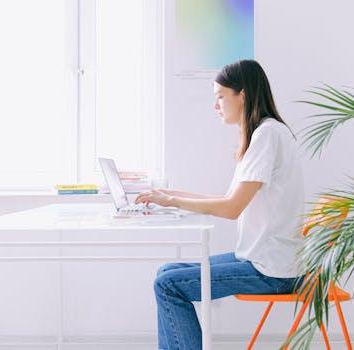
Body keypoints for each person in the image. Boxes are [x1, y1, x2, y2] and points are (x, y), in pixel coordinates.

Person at [134, 59, 305, 350]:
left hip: (272, 270)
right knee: (165, 273)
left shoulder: (267, 135)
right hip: (262, 258)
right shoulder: (264, 133)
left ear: (243, 95)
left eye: (219, 96)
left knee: (168, 285)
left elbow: (230, 209)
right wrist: (170, 195)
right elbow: (229, 200)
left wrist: (174, 200)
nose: (216, 106)